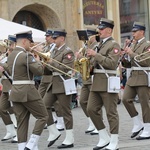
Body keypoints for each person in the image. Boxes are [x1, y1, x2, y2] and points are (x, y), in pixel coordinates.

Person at [7, 30, 48, 150]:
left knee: (21, 122)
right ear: (24, 41)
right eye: (30, 42)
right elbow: (39, 71)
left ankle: (21, 147)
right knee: (43, 116)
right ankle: (31, 144)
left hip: (15, 90)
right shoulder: (26, 55)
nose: (31, 45)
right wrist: (40, 60)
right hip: (28, 90)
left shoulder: (11, 55)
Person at [87, 18, 121, 150]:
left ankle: (114, 141)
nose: (99, 31)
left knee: (111, 112)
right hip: (97, 82)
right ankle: (103, 136)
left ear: (109, 30)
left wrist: (96, 55)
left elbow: (112, 64)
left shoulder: (114, 45)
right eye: (99, 29)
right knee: (91, 109)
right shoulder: (99, 44)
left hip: (108, 81)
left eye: (101, 29)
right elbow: (95, 62)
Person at [43, 28, 75, 149]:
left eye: (56, 38)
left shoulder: (68, 52)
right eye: (53, 38)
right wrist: (45, 64)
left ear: (62, 38)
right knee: (44, 106)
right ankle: (53, 131)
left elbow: (65, 68)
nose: (54, 40)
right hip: (53, 82)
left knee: (65, 111)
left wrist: (50, 63)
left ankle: (69, 137)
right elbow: (49, 70)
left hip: (63, 82)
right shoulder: (54, 50)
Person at [122, 21, 150, 140]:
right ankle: (138, 123)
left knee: (145, 104)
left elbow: (146, 61)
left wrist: (131, 53)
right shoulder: (132, 45)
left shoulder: (147, 45)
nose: (133, 34)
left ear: (142, 32)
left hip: (143, 76)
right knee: (125, 99)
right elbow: (129, 64)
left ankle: (148, 129)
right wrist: (124, 56)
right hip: (133, 76)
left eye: (135, 31)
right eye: (133, 31)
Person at [38, 29, 65, 131]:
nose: (46, 38)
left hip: (52, 76)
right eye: (47, 36)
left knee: (56, 102)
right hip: (44, 77)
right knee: (40, 99)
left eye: (48, 36)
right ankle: (51, 119)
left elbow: (53, 62)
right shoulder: (47, 47)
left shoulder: (55, 48)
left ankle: (60, 120)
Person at [75, 28, 100, 135]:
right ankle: (91, 122)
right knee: (82, 102)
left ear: (94, 36)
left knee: (95, 103)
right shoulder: (86, 47)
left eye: (89, 35)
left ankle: (98, 124)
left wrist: (82, 58)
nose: (87, 38)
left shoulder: (96, 47)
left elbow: (94, 62)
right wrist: (79, 59)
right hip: (86, 78)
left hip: (93, 78)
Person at [0, 35, 17, 143]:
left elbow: (13, 72)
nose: (9, 46)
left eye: (11, 44)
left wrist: (3, 66)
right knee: (2, 108)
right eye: (8, 44)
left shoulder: (16, 56)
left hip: (13, 85)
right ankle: (10, 130)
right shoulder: (4, 56)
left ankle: (20, 133)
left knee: (17, 110)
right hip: (5, 86)